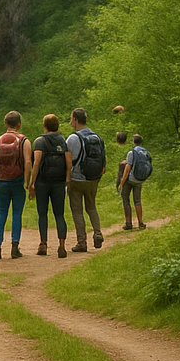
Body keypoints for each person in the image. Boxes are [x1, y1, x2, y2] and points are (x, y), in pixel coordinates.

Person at [29, 113, 71, 258]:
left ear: (45, 126)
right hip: (59, 182)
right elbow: (69, 162)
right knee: (59, 214)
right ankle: (62, 245)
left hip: (42, 181)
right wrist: (67, 179)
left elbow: (36, 162)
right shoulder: (62, 141)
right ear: (57, 126)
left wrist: (32, 183)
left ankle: (43, 243)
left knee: (42, 214)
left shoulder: (40, 141)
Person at [0, 111, 32, 259]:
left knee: (1, 213)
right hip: (17, 180)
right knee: (16, 213)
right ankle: (15, 247)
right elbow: (28, 162)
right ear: (19, 124)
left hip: (2, 181)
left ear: (6, 123)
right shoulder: (24, 141)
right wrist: (28, 181)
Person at [66, 107, 106, 252]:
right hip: (93, 179)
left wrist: (67, 178)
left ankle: (81, 242)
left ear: (75, 120)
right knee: (91, 207)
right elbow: (103, 163)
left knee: (77, 211)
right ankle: (97, 233)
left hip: (77, 179)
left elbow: (67, 161)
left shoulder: (73, 138)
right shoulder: (97, 138)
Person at [119, 133, 149, 230]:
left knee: (125, 199)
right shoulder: (145, 152)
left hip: (130, 179)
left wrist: (122, 181)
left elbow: (127, 168)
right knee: (137, 201)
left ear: (134, 142)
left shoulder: (132, 153)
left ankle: (128, 223)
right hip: (139, 180)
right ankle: (140, 223)